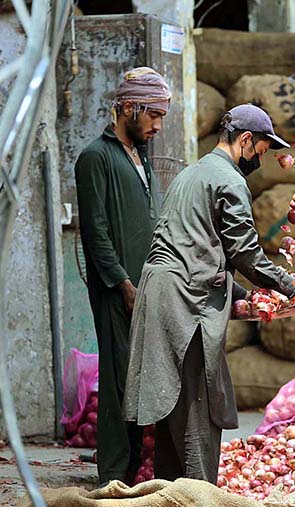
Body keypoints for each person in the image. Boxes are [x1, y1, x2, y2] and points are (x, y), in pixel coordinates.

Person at [123, 104, 295, 483]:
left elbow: (197, 246)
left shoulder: (191, 173)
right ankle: (199, 495)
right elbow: (245, 254)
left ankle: (169, 495)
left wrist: (241, 295)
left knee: (174, 409)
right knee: (199, 410)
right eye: (261, 151)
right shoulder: (230, 181)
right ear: (245, 140)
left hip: (161, 292)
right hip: (185, 302)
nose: (260, 161)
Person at [74, 67, 171, 486]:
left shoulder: (140, 156)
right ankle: (112, 473)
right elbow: (94, 231)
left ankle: (132, 467)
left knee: (139, 378)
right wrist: (122, 283)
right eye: (153, 115)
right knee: (117, 380)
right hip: (117, 289)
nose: (158, 125)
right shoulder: (95, 157)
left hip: (145, 284)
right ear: (129, 107)